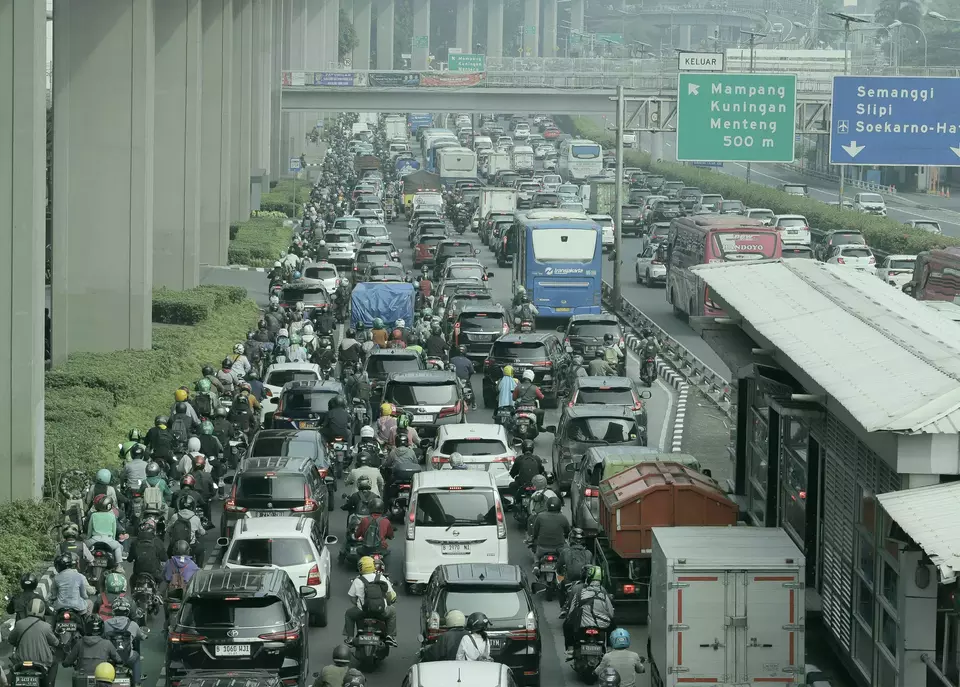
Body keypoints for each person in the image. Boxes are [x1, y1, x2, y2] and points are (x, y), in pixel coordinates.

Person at [344, 556, 398, 647]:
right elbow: (390, 595)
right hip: (381, 611)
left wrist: (358, 604)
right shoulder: (381, 578)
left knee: (348, 614)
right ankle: (390, 636)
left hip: (362, 612)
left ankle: (350, 638)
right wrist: (387, 602)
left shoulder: (358, 580)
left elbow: (352, 598)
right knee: (393, 612)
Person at [563, 566, 615, 656]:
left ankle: (570, 649)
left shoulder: (579, 592)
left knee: (566, 625)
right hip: (602, 625)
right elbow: (611, 613)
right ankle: (609, 648)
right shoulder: (604, 593)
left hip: (582, 625)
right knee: (613, 624)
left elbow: (571, 613)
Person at [9, 598, 60, 681]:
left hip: (21, 660)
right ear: (42, 610)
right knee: (55, 663)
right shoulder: (46, 626)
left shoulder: (19, 624)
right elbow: (55, 642)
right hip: (42, 661)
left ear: (27, 609)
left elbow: (11, 640)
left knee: (13, 672)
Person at [102, 597, 146, 687]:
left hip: (110, 657)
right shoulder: (133, 624)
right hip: (127, 657)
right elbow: (141, 637)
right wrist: (144, 636)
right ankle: (137, 682)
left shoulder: (106, 624)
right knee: (136, 656)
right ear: (127, 611)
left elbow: (101, 637)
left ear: (114, 610)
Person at [558, 528, 594, 602]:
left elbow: (558, 567)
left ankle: (563, 608)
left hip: (569, 583)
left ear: (570, 539)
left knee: (559, 586)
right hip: (585, 584)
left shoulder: (565, 552)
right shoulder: (589, 553)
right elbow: (593, 569)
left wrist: (560, 573)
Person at [166, 494, 205, 562]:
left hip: (176, 545)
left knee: (168, 555)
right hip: (191, 545)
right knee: (201, 551)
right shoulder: (195, 518)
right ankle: (199, 569)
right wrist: (204, 532)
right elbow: (201, 532)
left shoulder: (175, 516)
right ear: (192, 506)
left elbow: (168, 529)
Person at [86, 496, 124, 566]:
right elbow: (114, 531)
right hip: (109, 540)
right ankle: (119, 565)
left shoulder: (93, 515)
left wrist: (87, 539)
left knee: (83, 546)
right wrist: (113, 540)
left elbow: (89, 531)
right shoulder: (112, 516)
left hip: (94, 540)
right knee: (119, 547)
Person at [530, 495, 570, 561]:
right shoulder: (563, 518)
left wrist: (534, 538)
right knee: (564, 560)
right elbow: (568, 532)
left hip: (542, 547)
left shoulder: (540, 516)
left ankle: (536, 566)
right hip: (558, 548)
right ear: (559, 507)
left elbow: (535, 531)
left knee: (536, 556)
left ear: (547, 505)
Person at [51, 552, 89, 617]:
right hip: (77, 607)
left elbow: (54, 595)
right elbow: (84, 596)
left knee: (54, 619)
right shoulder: (79, 576)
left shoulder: (56, 577)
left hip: (60, 607)